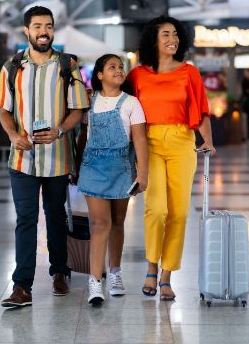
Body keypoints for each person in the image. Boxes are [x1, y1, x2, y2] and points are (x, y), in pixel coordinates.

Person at [0, 6, 89, 308]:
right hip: (22, 160)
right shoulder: (11, 67)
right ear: (26, 30)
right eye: (37, 26)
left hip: (58, 157)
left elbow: (78, 110)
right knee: (26, 220)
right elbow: (4, 111)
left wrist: (60, 130)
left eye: (48, 26)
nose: (43, 31)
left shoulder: (67, 65)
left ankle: (60, 271)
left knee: (56, 217)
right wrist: (12, 136)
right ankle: (22, 286)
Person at [127, 15, 216, 301]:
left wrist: (209, 141)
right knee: (157, 209)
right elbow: (120, 102)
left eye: (175, 34)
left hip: (181, 142)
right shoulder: (138, 74)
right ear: (153, 39)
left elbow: (200, 109)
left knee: (178, 212)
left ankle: (166, 275)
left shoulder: (189, 72)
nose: (172, 39)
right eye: (166, 34)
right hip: (148, 142)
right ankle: (151, 267)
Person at [77, 54, 148, 305]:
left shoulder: (132, 103)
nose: (118, 70)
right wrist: (75, 166)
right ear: (99, 75)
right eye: (112, 67)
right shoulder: (89, 101)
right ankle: (95, 281)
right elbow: (83, 134)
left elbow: (139, 139)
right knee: (99, 224)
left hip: (121, 168)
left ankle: (115, 272)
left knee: (118, 221)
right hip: (93, 168)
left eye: (120, 67)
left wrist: (143, 174)